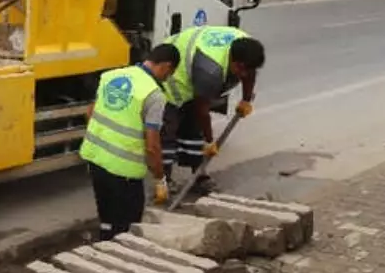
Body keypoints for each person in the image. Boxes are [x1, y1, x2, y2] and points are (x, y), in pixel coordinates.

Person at [80, 44, 179, 241]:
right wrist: (160, 180)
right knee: (128, 221)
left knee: (106, 214)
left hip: (95, 159)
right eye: (170, 73)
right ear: (166, 66)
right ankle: (119, 254)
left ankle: (104, 242)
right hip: (124, 171)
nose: (168, 78)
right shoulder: (154, 95)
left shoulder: (112, 75)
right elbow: (152, 146)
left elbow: (90, 113)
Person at [160, 25, 266, 194]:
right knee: (168, 132)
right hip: (170, 77)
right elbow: (202, 111)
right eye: (241, 70)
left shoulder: (245, 46)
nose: (244, 75)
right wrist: (210, 142)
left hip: (192, 66)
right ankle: (163, 181)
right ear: (233, 61)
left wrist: (246, 100)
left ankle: (199, 176)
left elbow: (250, 72)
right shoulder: (210, 71)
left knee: (193, 132)